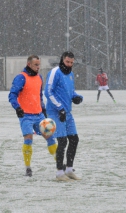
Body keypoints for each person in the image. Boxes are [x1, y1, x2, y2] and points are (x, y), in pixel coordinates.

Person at [8, 55, 57, 177]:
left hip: (39, 115)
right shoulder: (21, 78)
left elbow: (39, 96)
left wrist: (44, 110)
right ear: (29, 64)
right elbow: (12, 95)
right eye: (36, 65)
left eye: (39, 65)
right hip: (26, 116)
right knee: (28, 139)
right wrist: (17, 107)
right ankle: (28, 168)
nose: (38, 67)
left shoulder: (39, 77)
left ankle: (60, 164)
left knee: (50, 137)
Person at [45, 51, 83, 181]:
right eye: (67, 62)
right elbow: (48, 92)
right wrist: (59, 108)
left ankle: (69, 170)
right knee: (62, 141)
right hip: (56, 112)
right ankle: (59, 173)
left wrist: (76, 97)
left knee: (74, 139)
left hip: (67, 112)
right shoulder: (55, 72)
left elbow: (70, 91)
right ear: (62, 60)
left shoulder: (71, 74)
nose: (69, 64)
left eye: (72, 62)